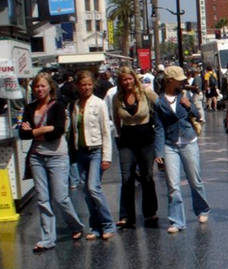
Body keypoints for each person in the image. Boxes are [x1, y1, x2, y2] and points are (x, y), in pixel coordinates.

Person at [18, 72, 84, 251]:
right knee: (42, 198)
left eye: (42, 86)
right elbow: (23, 133)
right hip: (37, 156)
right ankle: (48, 238)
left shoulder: (58, 106)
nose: (39, 89)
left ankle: (76, 225)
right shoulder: (30, 108)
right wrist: (42, 130)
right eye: (36, 86)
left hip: (57, 156)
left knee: (60, 197)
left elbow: (58, 131)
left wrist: (34, 131)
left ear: (50, 87)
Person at [152, 66, 211, 233]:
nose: (182, 82)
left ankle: (202, 209)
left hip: (188, 141)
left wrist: (188, 106)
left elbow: (198, 116)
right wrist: (158, 153)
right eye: (179, 80)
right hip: (170, 145)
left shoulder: (184, 96)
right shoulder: (159, 102)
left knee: (195, 181)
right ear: (170, 81)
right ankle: (177, 221)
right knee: (173, 185)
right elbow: (159, 128)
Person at [69, 69, 116, 240]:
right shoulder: (74, 105)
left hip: (96, 150)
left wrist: (106, 157)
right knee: (86, 191)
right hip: (81, 152)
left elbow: (106, 131)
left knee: (93, 188)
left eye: (89, 84)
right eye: (83, 84)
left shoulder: (99, 103)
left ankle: (108, 224)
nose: (86, 87)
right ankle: (95, 226)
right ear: (77, 86)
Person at [112, 66, 159, 229]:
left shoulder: (145, 92)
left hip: (146, 138)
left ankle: (150, 212)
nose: (127, 82)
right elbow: (116, 119)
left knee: (146, 176)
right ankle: (126, 216)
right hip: (127, 139)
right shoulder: (117, 98)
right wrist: (119, 135)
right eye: (123, 80)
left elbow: (160, 105)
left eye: (129, 78)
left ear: (134, 78)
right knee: (127, 178)